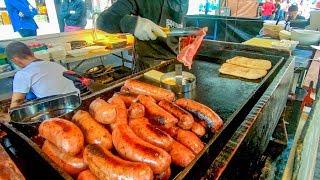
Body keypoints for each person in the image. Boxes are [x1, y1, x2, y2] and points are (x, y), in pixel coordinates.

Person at [96, 0, 189, 70]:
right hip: (149, 67)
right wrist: (134, 24)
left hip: (177, 63)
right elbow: (103, 20)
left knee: (182, 92)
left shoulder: (184, 2)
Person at [5, 41, 79, 108]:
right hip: (78, 102)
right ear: (32, 53)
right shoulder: (54, 64)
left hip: (59, 109)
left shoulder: (23, 74)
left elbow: (16, 104)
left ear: (15, 60)